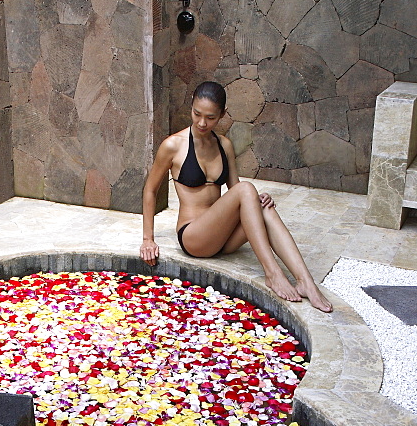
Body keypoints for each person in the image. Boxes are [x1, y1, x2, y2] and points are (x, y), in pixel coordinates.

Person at [139, 81, 333, 312]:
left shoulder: (224, 145)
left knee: (264, 206)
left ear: (222, 114)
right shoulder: (173, 145)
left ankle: (306, 283)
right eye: (197, 114)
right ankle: (272, 273)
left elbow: (236, 193)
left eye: (210, 117)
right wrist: (148, 239)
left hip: (224, 238)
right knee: (247, 190)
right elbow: (150, 189)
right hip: (194, 237)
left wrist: (259, 202)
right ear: (191, 107)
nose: (202, 122)